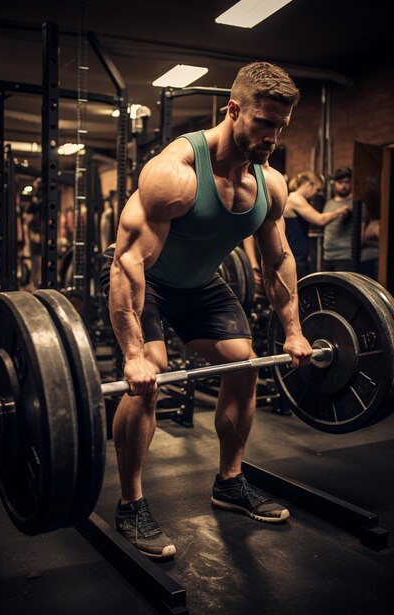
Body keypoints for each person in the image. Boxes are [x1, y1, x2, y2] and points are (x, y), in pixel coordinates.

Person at [100, 61, 313, 560]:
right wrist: (132, 353)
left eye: (281, 127)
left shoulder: (270, 185)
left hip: (201, 287)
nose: (272, 137)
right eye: (263, 123)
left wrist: (295, 332)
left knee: (243, 367)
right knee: (150, 374)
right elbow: (127, 259)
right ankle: (131, 503)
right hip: (148, 283)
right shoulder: (174, 174)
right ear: (233, 110)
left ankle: (230, 481)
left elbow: (278, 259)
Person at [283, 171, 349, 278]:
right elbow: (320, 220)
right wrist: (339, 212)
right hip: (295, 258)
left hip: (298, 257)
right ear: (309, 184)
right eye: (317, 190)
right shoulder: (296, 199)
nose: (315, 194)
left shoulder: (296, 198)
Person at [322, 167, 365, 272]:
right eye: (340, 182)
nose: (343, 186)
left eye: (347, 182)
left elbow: (362, 233)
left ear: (351, 183)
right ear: (334, 183)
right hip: (327, 256)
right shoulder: (329, 203)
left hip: (346, 257)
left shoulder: (357, 205)